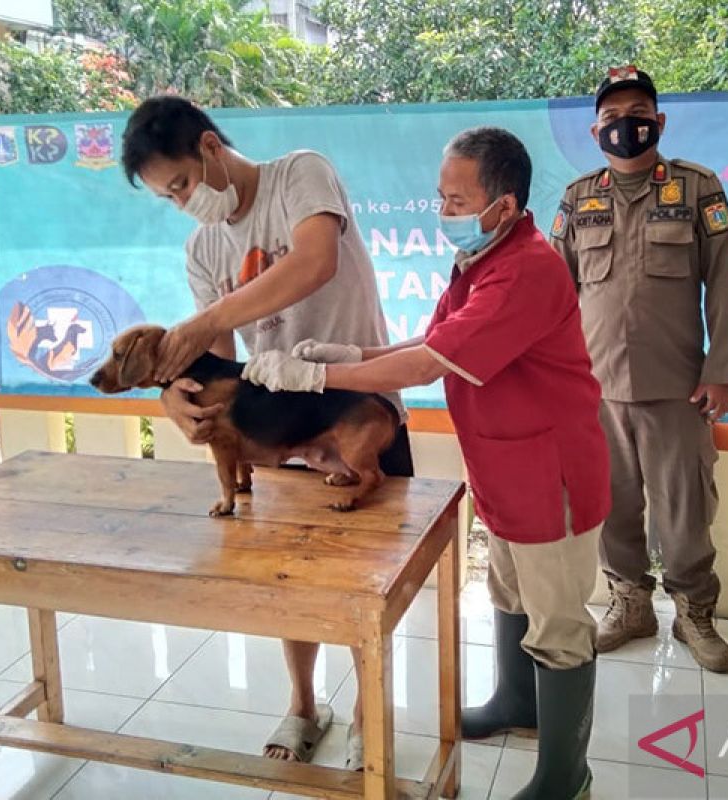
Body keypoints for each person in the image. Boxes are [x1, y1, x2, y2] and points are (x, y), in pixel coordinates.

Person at [243, 127, 610, 800]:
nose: (444, 211)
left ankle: (567, 776)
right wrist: (347, 358)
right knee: (507, 591)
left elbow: (429, 363)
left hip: (550, 471)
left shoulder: (526, 268)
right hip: (503, 465)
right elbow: (434, 338)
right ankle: (516, 703)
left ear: (503, 204)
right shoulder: (480, 261)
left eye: (457, 198)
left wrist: (316, 380)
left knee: (558, 622)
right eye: (440, 197)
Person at [119, 96, 415, 769]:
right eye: (168, 198)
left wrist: (199, 323)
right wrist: (175, 395)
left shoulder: (299, 175)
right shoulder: (203, 248)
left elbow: (316, 263)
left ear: (210, 149)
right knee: (292, 584)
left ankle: (371, 706)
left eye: (183, 185)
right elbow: (218, 357)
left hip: (358, 411)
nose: (183, 204)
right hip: (276, 427)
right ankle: (306, 705)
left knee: (369, 584)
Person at [551, 66, 728, 672]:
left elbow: (726, 283)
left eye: (636, 113)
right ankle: (630, 603)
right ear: (594, 131)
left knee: (684, 509)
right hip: (597, 390)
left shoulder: (696, 189)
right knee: (611, 505)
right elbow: (554, 294)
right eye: (610, 118)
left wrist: (723, 370)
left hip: (677, 388)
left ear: (657, 122)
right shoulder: (579, 198)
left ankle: (695, 611)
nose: (623, 126)